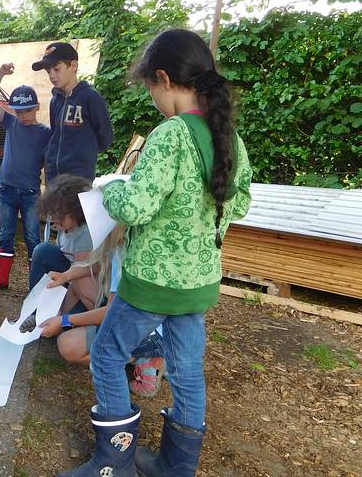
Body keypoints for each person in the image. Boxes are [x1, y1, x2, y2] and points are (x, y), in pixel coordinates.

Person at [62, 29, 252, 477]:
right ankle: (174, 467)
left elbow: (135, 207)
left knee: (107, 354)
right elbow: (239, 203)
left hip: (152, 282)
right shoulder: (227, 135)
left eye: (150, 87)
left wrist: (110, 189)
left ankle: (114, 462)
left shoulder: (170, 135)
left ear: (164, 78)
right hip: (199, 283)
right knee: (187, 371)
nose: (152, 98)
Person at [37, 224, 166, 398]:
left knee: (68, 346)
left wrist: (65, 320)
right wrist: (67, 275)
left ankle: (143, 356)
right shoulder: (127, 243)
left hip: (147, 332)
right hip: (141, 320)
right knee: (79, 283)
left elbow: (111, 313)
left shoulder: (125, 256)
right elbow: (99, 264)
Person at [0, 62, 51, 289]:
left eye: (28, 110)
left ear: (37, 107)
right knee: (6, 234)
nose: (23, 116)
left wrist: (50, 191)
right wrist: (0, 74)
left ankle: (36, 281)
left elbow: (48, 163)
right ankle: (1, 278)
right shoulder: (11, 122)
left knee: (32, 237)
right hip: (7, 189)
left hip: (31, 192)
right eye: (19, 111)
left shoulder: (45, 132)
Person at [31, 42, 114, 183]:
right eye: (48, 71)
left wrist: (83, 155)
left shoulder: (90, 97)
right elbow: (55, 133)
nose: (52, 75)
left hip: (78, 180)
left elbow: (105, 137)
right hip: (54, 179)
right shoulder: (55, 100)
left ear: (73, 66)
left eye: (56, 69)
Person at [28, 175, 94, 304]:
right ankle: (34, 304)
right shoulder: (64, 228)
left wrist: (63, 311)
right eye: (52, 213)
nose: (54, 218)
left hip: (85, 283)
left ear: (76, 211)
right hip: (69, 275)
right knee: (43, 250)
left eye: (59, 214)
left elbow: (79, 274)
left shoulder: (84, 233)